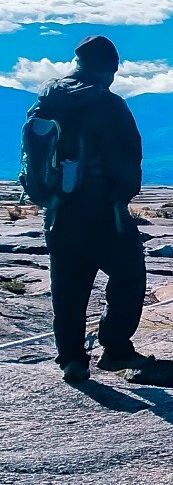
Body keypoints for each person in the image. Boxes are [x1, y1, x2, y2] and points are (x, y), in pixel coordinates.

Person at [21, 36, 148, 384]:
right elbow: (128, 162)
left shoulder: (46, 102)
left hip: (58, 212)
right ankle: (115, 347)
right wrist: (122, 196)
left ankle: (72, 359)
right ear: (109, 69)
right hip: (106, 213)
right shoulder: (111, 106)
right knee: (129, 273)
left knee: (67, 286)